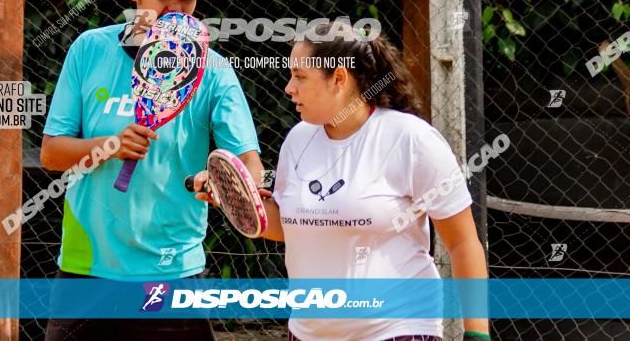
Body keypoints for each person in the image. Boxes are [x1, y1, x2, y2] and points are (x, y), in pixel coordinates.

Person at [196, 21, 490, 341]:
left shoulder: (411, 139)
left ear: (338, 78)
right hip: (307, 333)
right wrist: (231, 196)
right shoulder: (297, 140)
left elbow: (463, 244)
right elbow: (288, 226)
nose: (288, 88)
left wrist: (477, 335)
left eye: (300, 76)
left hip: (398, 330)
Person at [41, 0, 264, 341]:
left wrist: (226, 182)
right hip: (85, 268)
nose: (176, 8)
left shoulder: (214, 69)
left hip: (171, 272)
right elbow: (53, 153)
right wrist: (108, 146)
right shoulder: (89, 49)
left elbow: (249, 164)